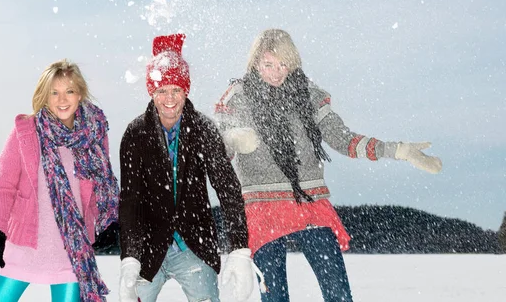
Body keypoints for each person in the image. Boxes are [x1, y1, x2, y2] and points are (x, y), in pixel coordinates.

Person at [214, 29, 442, 302]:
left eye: (283, 64)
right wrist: (233, 140)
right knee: (275, 298)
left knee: (339, 294)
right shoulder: (238, 96)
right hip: (262, 207)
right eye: (268, 65)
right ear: (255, 63)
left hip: (309, 203)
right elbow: (218, 153)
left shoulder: (308, 95)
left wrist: (398, 150)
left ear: (293, 62)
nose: (276, 73)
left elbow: (343, 139)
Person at [118, 33, 256, 302]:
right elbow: (130, 201)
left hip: (194, 247)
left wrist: (240, 249)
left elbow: (228, 188)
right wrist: (130, 258)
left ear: (186, 90)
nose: (169, 99)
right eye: (162, 90)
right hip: (148, 251)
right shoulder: (135, 133)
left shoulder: (203, 129)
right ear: (152, 92)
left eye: (176, 90)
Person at [0, 60, 120, 302]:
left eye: (69, 91)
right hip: (24, 245)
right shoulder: (26, 132)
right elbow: (4, 186)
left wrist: (108, 221)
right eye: (54, 92)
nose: (62, 99)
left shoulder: (93, 134)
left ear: (80, 94)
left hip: (72, 251)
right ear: (44, 95)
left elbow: (101, 182)